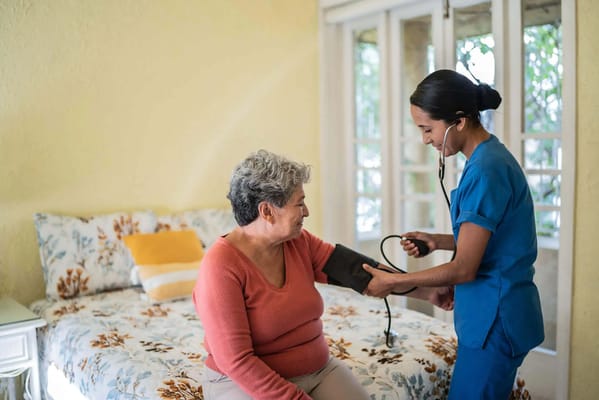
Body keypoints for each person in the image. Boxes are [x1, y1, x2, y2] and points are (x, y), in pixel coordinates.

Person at [193, 149, 454, 400]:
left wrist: (428, 292)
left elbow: (360, 272)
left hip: (317, 371)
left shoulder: (298, 242)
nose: (306, 211)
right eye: (300, 203)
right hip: (242, 382)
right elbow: (236, 361)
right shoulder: (221, 266)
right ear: (267, 211)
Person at [362, 69, 545, 400]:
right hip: (496, 308)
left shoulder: (487, 170)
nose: (425, 139)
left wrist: (394, 283)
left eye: (428, 129)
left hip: (495, 317)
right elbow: (496, 235)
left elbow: (464, 269)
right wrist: (439, 240)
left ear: (459, 121)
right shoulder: (489, 158)